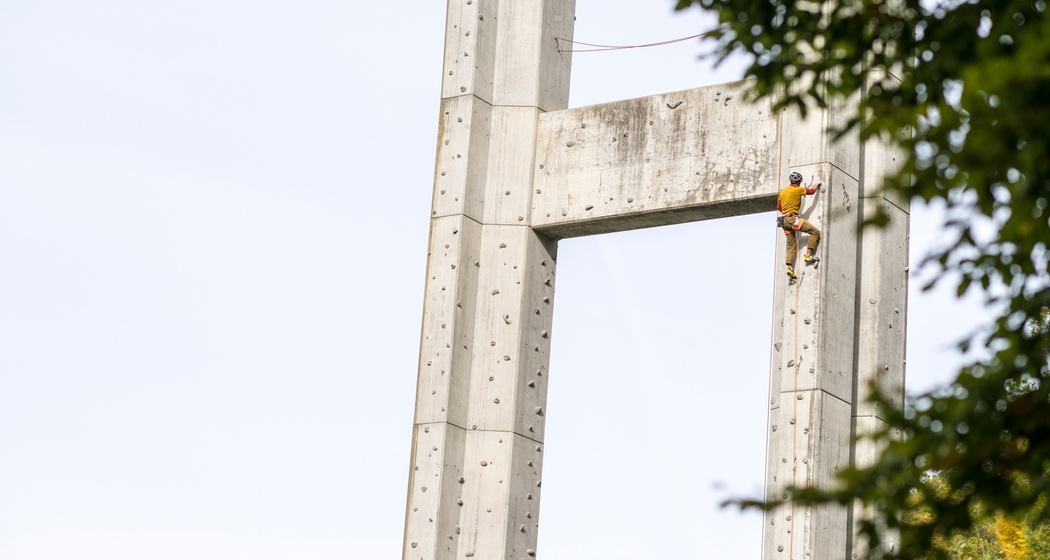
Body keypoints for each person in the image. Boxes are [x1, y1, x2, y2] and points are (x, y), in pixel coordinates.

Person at [778, 171, 822, 280]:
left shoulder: (782, 191)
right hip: (792, 219)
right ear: (799, 182)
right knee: (815, 232)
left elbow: (779, 207)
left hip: (782, 221)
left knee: (791, 245)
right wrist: (818, 183)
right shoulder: (798, 190)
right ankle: (808, 256)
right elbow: (811, 191)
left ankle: (790, 268)